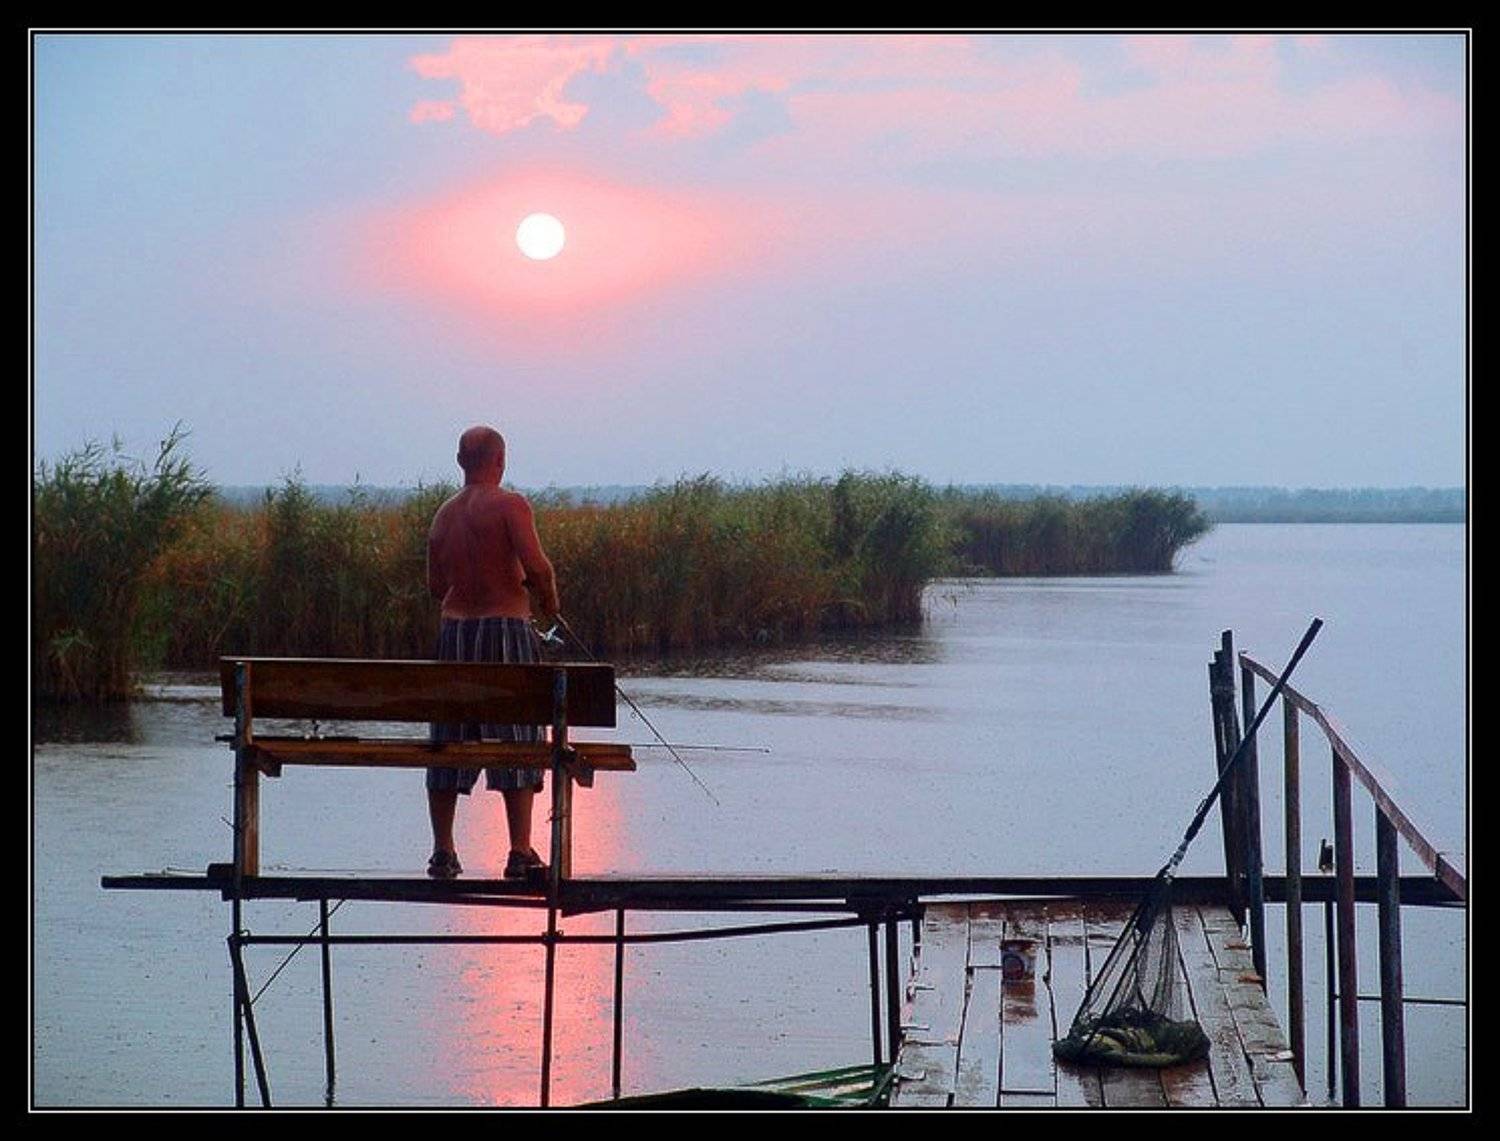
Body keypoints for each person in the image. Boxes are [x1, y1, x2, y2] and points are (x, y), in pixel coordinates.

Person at [425, 425, 561, 880]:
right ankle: (519, 850)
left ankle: (443, 851)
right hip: (504, 629)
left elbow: (435, 587)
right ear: (500, 461)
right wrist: (549, 598)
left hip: (455, 633)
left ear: (460, 461)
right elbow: (538, 566)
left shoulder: (443, 516)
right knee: (517, 737)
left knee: (449, 738)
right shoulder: (511, 505)